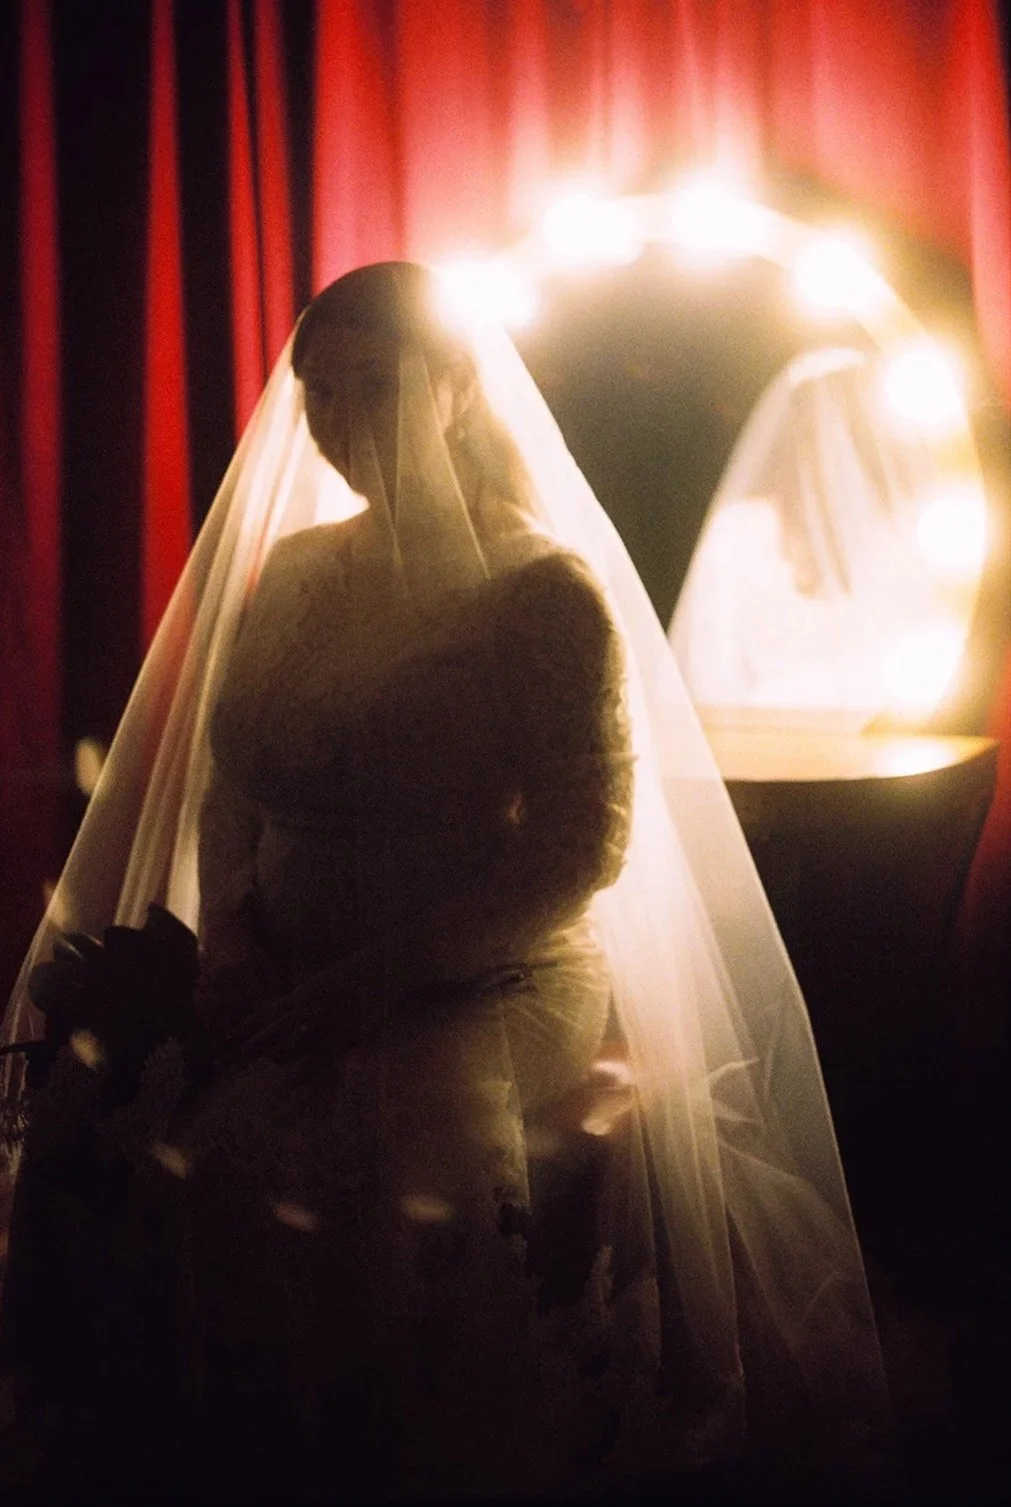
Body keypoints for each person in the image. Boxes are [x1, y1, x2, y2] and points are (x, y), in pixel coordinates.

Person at [1, 264, 890, 1498]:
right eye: (316, 391)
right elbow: (236, 784)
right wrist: (237, 941)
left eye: (374, 386)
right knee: (112, 1121)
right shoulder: (298, 572)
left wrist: (383, 976)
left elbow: (582, 845)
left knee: (318, 1180)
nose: (337, 419)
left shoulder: (541, 593)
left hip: (497, 976)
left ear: (460, 392)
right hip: (287, 969)